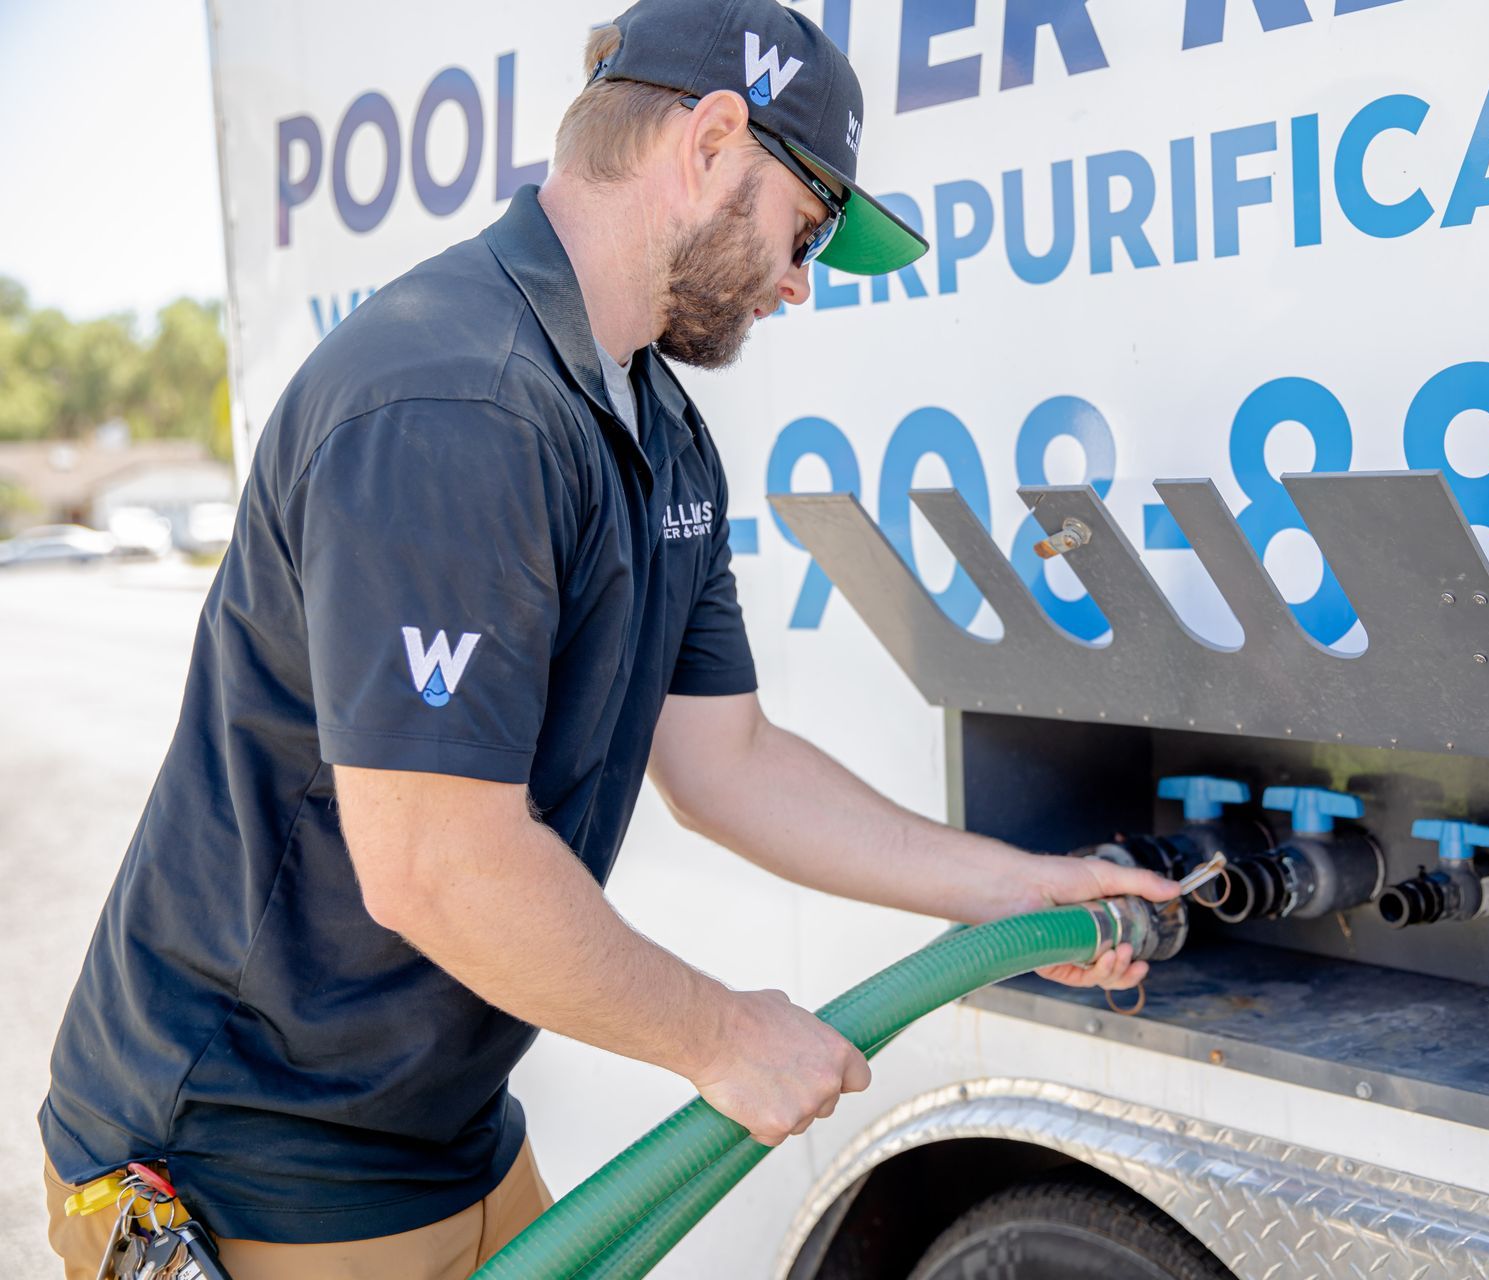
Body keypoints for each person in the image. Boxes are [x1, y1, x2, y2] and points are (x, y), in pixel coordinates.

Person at [38, 1, 1177, 1276]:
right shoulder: (452, 398)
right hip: (255, 1157)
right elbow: (434, 863)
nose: (801, 281)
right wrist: (718, 1035)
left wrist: (1020, 888)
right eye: (803, 231)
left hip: (445, 1128)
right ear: (710, 140)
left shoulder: (659, 429)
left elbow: (728, 759)